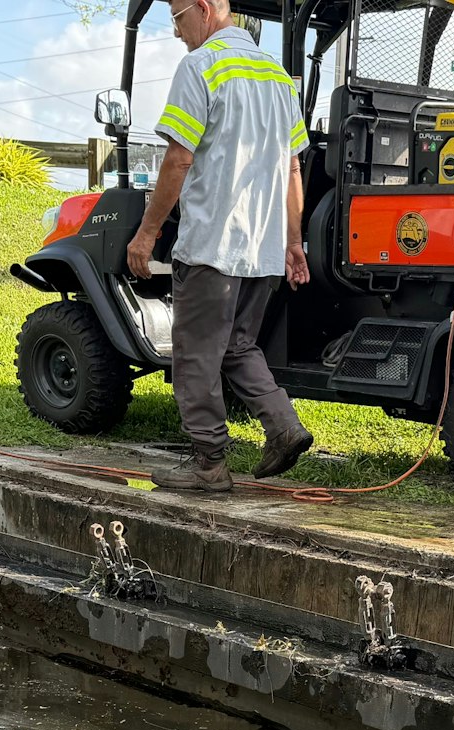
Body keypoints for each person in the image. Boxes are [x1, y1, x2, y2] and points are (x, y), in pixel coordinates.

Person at [125, 0, 315, 492]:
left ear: (205, 10)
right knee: (238, 345)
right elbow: (293, 168)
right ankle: (284, 426)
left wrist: (147, 233)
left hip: (214, 244)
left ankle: (209, 464)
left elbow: (178, 159)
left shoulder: (201, 66)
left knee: (194, 355)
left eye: (177, 17)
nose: (176, 32)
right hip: (265, 249)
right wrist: (294, 242)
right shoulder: (278, 78)